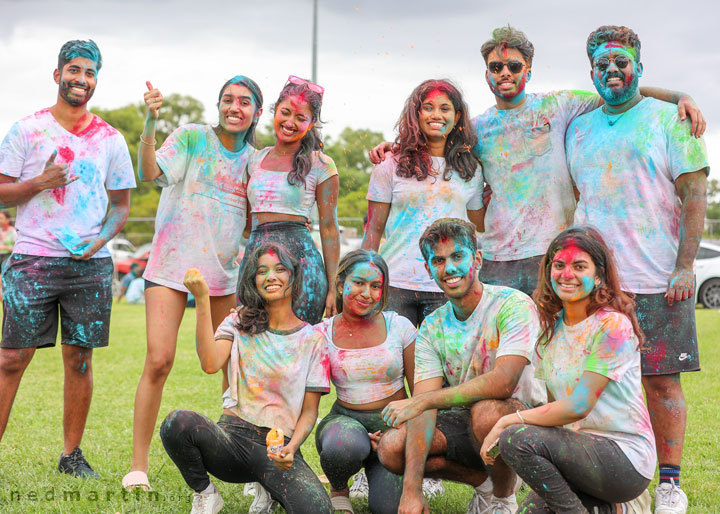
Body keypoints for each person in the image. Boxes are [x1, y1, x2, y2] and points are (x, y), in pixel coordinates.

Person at [369, 26, 705, 297]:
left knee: (547, 352)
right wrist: (394, 147)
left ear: (527, 71)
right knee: (504, 354)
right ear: (486, 75)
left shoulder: (559, 106)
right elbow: (435, 142)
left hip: (552, 252)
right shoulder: (477, 129)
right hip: (497, 256)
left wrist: (679, 96)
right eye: (496, 67)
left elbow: (617, 87)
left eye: (514, 66)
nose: (505, 73)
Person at [566, 25, 709, 514]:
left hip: (656, 279)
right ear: (590, 72)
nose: (612, 70)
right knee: (589, 381)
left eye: (622, 61)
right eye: (602, 64)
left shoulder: (672, 119)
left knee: (663, 382)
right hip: (594, 285)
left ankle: (669, 484)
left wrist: (685, 266)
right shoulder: (579, 125)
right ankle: (610, 481)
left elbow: (694, 196)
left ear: (640, 67)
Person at [0, 40, 135, 477]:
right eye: (74, 70)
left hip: (88, 267)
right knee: (10, 359)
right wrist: (39, 181)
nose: (81, 79)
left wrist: (98, 245)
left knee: (80, 360)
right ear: (57, 74)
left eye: (90, 73)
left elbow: (120, 208)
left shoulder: (111, 139)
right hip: (32, 261)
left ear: (96, 79)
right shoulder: (26, 130)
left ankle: (70, 457)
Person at [123, 75, 263, 491]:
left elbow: (254, 221)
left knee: (233, 369)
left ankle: (245, 461)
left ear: (256, 111)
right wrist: (150, 121)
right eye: (227, 100)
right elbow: (150, 172)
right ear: (218, 104)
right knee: (159, 359)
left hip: (222, 278)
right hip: (170, 266)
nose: (234, 107)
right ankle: (138, 467)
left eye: (244, 102)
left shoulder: (256, 161)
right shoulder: (192, 138)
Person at [480, 226, 656, 514]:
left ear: (599, 274)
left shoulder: (612, 326)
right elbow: (556, 409)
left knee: (515, 437)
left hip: (624, 460)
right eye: (559, 265)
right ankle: (618, 510)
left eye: (579, 266)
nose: (567, 274)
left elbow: (578, 406)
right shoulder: (549, 329)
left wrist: (507, 421)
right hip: (577, 453)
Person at [377, 218, 546, 514]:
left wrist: (423, 401)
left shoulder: (512, 305)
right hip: (466, 422)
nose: (449, 268)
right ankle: (483, 483)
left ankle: (503, 500)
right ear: (429, 269)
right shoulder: (432, 327)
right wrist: (411, 491)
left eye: (458, 256)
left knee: (487, 412)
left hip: (524, 424)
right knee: (392, 449)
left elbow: (504, 382)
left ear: (477, 259)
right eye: (439, 261)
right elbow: (424, 409)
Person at [160, 244, 333, 514]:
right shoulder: (238, 322)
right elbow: (210, 364)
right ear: (253, 281)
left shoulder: (312, 340)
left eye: (280, 269)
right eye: (261, 271)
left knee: (317, 510)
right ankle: (206, 494)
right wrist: (203, 300)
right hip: (232, 441)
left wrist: (292, 448)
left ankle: (267, 488)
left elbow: (310, 412)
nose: (271, 276)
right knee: (177, 422)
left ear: (293, 277)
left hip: (279, 450)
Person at [362, 79, 484, 327]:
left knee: (444, 363)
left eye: (445, 108)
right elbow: (373, 230)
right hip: (395, 283)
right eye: (428, 107)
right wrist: (365, 275)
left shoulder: (470, 169)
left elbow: (479, 223)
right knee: (396, 363)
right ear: (416, 114)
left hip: (448, 283)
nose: (436, 115)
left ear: (457, 116)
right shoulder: (390, 163)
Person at [315, 249, 415, 514]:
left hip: (393, 429)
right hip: (345, 424)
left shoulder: (400, 327)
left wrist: (403, 431)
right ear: (340, 284)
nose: (366, 293)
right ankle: (338, 487)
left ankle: (378, 473)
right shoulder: (322, 333)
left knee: (388, 509)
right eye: (358, 283)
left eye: (375, 286)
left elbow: (421, 395)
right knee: (345, 445)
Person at [241, 75, 340, 324]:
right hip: (256, 260)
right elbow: (246, 222)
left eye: (300, 118)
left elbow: (329, 228)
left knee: (301, 344)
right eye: (285, 112)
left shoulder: (321, 164)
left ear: (311, 123)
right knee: (253, 338)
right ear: (275, 111)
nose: (290, 122)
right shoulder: (254, 160)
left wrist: (333, 287)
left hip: (303, 265)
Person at [0, 210, 17, 301]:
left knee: (4, 283)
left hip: (7, 257)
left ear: (7, 220)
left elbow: (16, 248)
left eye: (1, 218)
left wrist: (4, 246)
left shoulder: (13, 232)